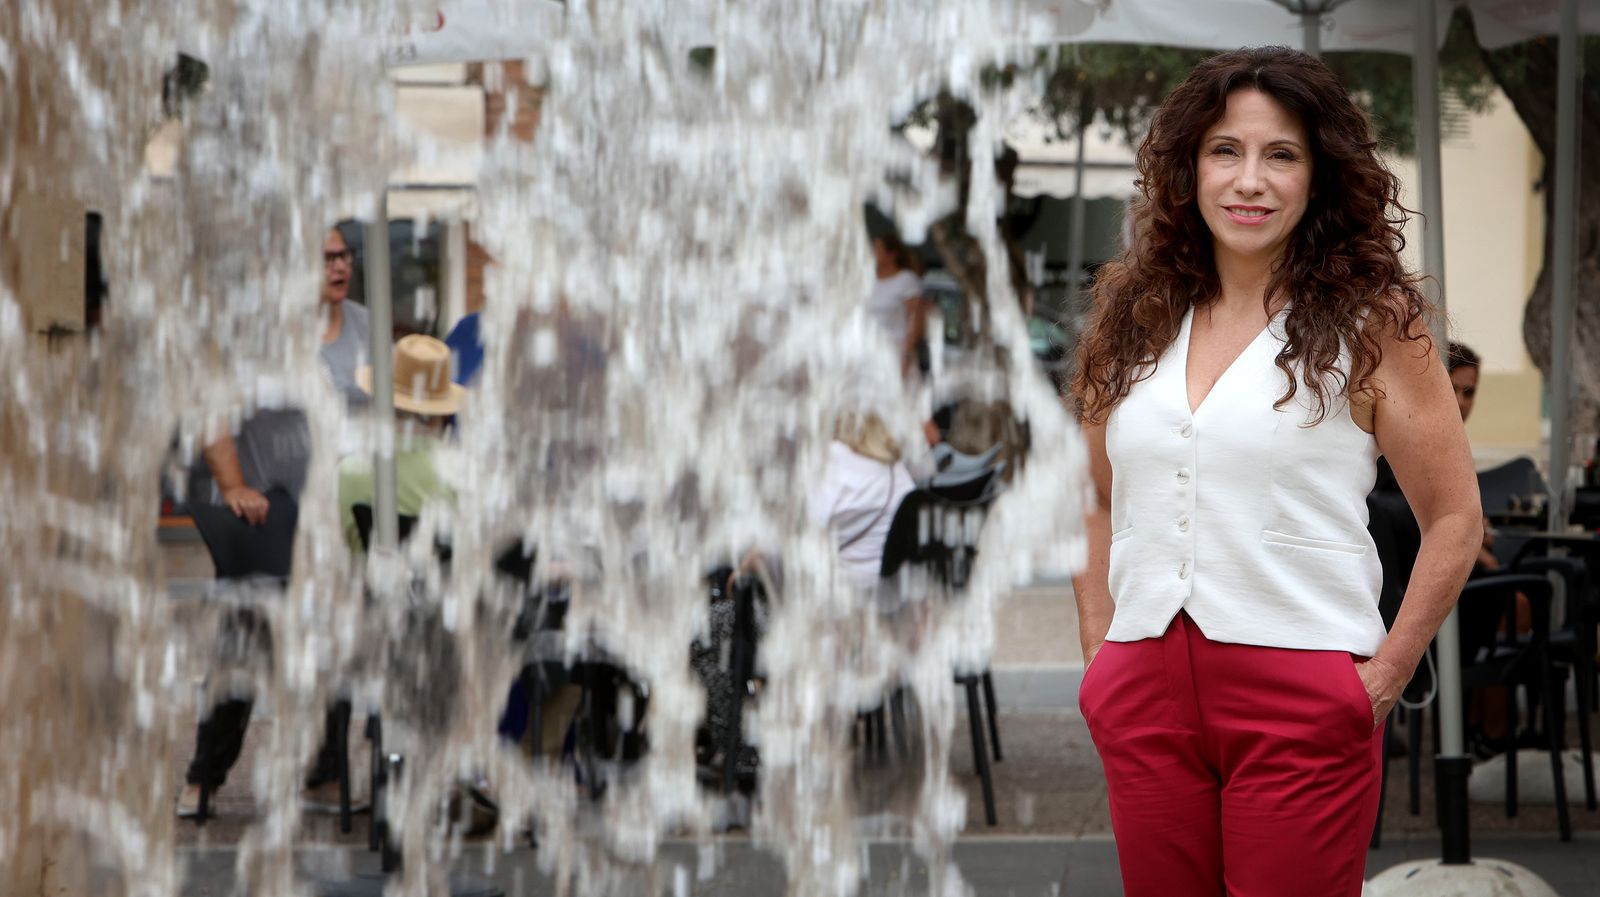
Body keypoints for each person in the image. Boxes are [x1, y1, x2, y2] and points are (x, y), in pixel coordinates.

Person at [1069, 47, 1480, 897]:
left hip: (1302, 692)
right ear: (1188, 168)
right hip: (1143, 689)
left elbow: (1453, 515)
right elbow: (1094, 496)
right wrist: (1097, 653)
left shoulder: (1374, 324)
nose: (1248, 180)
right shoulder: (1133, 316)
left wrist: (1387, 672)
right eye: (1225, 150)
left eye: (1280, 154)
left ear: (1319, 175)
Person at [176, 226, 378, 818]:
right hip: (266, 519)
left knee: (339, 637)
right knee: (245, 641)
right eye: (325, 258)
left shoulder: (364, 327)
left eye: (344, 256)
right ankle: (204, 774)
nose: (339, 267)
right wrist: (236, 485)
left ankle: (324, 772)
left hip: (334, 517)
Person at [336, 333, 463, 549]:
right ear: (441, 412)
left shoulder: (348, 471)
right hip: (437, 581)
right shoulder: (461, 474)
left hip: (368, 581)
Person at [807, 412, 916, 588]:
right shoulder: (899, 472)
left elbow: (810, 521)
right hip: (888, 588)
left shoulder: (838, 465)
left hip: (841, 589)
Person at [866, 232, 930, 376]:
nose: (872, 254)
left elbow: (916, 321)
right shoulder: (869, 281)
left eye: (877, 249)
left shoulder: (906, 280)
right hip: (868, 355)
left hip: (894, 356)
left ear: (891, 255)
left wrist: (906, 354)